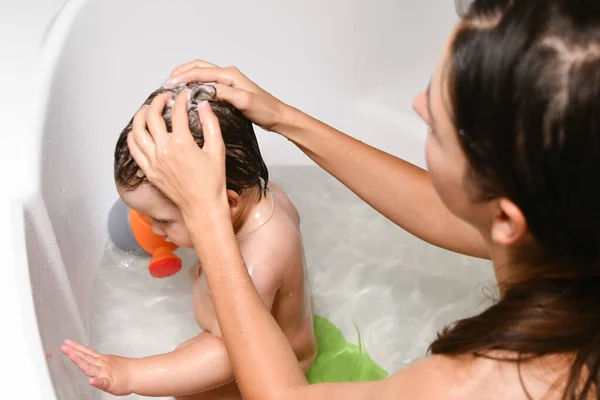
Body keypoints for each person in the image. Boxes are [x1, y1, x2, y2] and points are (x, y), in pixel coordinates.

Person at [126, 0, 600, 398]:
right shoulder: (570, 226)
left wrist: (205, 216)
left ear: (506, 216)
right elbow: (444, 210)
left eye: (437, 124)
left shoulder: (496, 383)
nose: (416, 104)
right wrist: (284, 118)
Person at [61, 82, 318, 399]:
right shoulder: (265, 194)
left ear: (227, 202)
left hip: (271, 369)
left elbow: (233, 354)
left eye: (163, 220)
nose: (155, 231)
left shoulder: (259, 261)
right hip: (250, 331)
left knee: (188, 394)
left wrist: (129, 374)